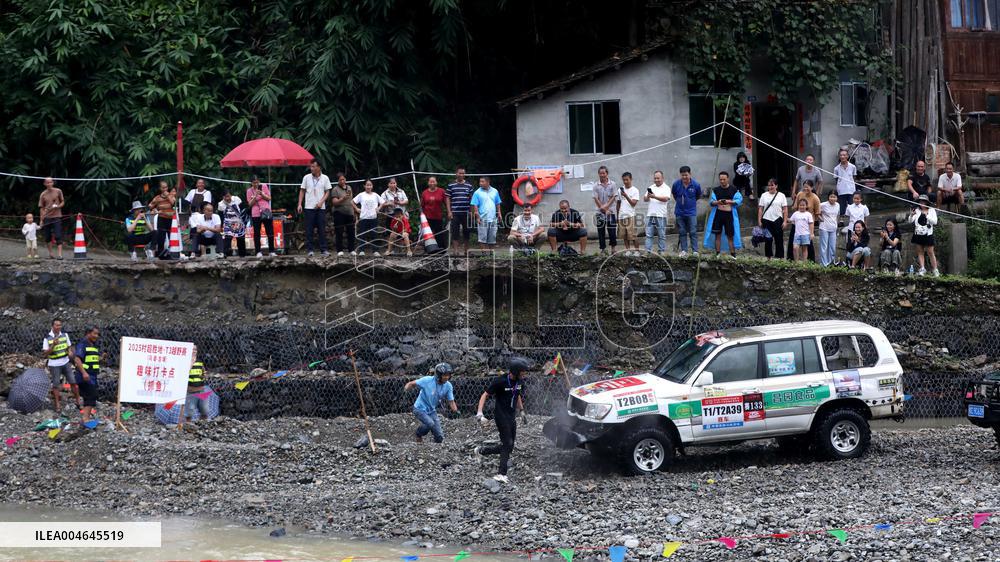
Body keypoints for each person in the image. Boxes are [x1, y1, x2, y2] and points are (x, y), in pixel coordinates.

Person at [475, 357, 530, 483]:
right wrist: (480, 413)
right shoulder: (500, 381)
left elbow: (517, 394)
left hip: (511, 415)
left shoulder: (520, 382)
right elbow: (485, 395)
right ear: (515, 371)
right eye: (523, 372)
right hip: (501, 415)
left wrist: (522, 411)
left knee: (509, 446)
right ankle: (501, 473)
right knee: (507, 443)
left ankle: (482, 450)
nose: (524, 374)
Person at [404, 362, 458, 443]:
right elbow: (412, 383)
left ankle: (434, 447)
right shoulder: (427, 380)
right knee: (430, 423)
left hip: (431, 410)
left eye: (448, 375)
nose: (447, 377)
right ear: (439, 375)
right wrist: (406, 389)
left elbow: (451, 401)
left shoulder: (448, 386)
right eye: (444, 375)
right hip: (419, 409)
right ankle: (418, 434)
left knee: (439, 437)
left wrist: (456, 411)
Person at [42, 318, 78, 412]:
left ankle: (78, 401)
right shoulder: (47, 338)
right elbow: (45, 354)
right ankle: (57, 405)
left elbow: (69, 346)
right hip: (54, 364)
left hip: (65, 362)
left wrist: (69, 351)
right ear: (52, 326)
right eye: (57, 325)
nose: (59, 327)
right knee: (56, 384)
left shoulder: (65, 335)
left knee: (73, 382)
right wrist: (53, 345)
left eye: (60, 325)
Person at [704, 171, 742, 258]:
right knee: (718, 235)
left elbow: (738, 200)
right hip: (718, 214)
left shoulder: (734, 189)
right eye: (720, 179)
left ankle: (733, 254)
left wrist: (729, 201)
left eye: (724, 179)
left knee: (730, 235)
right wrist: (718, 202)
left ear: (728, 179)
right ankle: (717, 253)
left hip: (729, 215)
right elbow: (711, 202)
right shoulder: (716, 190)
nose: (722, 181)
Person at [298, 159, 331, 257]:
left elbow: (327, 192)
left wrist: (321, 202)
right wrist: (299, 204)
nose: (311, 168)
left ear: (319, 167)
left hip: (321, 207)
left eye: (313, 166)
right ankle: (310, 250)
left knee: (321, 229)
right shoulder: (306, 177)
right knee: (309, 229)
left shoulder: (325, 178)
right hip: (309, 207)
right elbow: (302, 191)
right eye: (311, 166)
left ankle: (324, 249)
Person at [72, 326, 102, 424]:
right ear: (88, 333)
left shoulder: (93, 345)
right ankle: (85, 418)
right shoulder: (83, 344)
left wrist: (101, 358)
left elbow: (91, 359)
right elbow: (77, 359)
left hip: (92, 375)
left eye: (97, 334)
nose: (96, 336)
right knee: (91, 395)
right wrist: (84, 373)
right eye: (94, 333)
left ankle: (86, 418)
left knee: (89, 396)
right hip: (85, 375)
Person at [671, 166, 701, 256]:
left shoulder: (696, 185)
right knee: (682, 231)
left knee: (693, 231)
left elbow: (698, 196)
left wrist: (690, 202)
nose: (684, 177)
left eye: (686, 175)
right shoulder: (676, 184)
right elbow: (675, 195)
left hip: (691, 212)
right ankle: (684, 250)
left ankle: (695, 251)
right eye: (682, 175)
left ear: (690, 174)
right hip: (679, 212)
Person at [787, 180, 820, 261]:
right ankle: (791, 260)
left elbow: (817, 213)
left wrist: (811, 227)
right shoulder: (800, 194)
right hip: (797, 222)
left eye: (807, 187)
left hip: (808, 224)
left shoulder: (815, 198)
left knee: (808, 245)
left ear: (812, 188)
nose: (805, 189)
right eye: (804, 187)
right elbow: (795, 207)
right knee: (793, 242)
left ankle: (810, 261)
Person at [756, 178, 788, 259]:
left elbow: (785, 209)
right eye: (769, 185)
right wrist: (759, 220)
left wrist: (785, 221)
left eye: (772, 185)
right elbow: (760, 209)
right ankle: (768, 258)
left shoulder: (781, 195)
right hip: (766, 220)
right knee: (768, 239)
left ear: (776, 186)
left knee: (779, 239)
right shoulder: (764, 195)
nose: (770, 187)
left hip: (778, 220)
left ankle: (780, 258)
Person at [246, 176, 276, 258]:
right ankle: (258, 251)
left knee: (270, 232)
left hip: (266, 211)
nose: (256, 184)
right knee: (256, 233)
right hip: (255, 213)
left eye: (257, 182)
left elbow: (269, 198)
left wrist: (262, 194)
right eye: (254, 183)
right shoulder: (249, 191)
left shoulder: (264, 186)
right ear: (251, 183)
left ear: (259, 181)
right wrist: (255, 196)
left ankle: (272, 251)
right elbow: (250, 204)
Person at [446, 167, 474, 255]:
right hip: (455, 212)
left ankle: (466, 250)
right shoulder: (451, 185)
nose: (461, 175)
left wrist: (472, 211)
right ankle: (456, 251)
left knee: (467, 232)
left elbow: (472, 200)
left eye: (463, 173)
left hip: (466, 212)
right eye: (460, 173)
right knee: (455, 232)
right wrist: (449, 211)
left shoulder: (469, 185)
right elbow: (447, 198)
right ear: (456, 174)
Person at [910, 195, 939, 277]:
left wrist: (927, 215)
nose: (922, 203)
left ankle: (935, 270)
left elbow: (935, 222)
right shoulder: (917, 210)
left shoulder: (931, 210)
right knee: (920, 252)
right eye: (920, 201)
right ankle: (922, 268)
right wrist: (911, 215)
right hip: (918, 233)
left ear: (926, 202)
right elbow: (910, 221)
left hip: (928, 234)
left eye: (923, 201)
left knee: (930, 252)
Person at [469, 177, 502, 250]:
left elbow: (498, 203)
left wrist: (499, 213)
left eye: (482, 181)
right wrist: (477, 217)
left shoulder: (495, 191)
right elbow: (475, 205)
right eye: (480, 181)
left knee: (492, 237)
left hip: (493, 218)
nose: (480, 183)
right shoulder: (477, 192)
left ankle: (491, 253)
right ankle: (483, 253)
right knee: (482, 238)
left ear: (488, 182)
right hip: (482, 218)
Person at [644, 170, 672, 253]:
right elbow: (645, 199)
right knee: (649, 234)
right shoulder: (651, 187)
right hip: (650, 215)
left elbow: (666, 199)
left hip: (661, 215)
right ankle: (648, 251)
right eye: (655, 178)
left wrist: (654, 196)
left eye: (658, 178)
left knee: (661, 235)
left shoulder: (666, 188)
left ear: (662, 178)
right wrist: (648, 196)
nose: (656, 180)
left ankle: (661, 251)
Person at [593, 165, 618, 255]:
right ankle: (603, 249)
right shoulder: (596, 185)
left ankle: (613, 249)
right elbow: (596, 198)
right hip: (600, 212)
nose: (602, 175)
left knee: (612, 231)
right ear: (598, 174)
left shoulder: (613, 184)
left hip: (611, 211)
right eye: (600, 173)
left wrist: (606, 207)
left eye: (604, 173)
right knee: (601, 231)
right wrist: (603, 208)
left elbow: (614, 196)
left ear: (607, 173)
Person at [38, 177, 66, 259]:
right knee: (47, 236)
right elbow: (41, 208)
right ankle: (51, 253)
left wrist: (58, 206)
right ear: (44, 184)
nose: (49, 184)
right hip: (47, 217)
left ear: (53, 183)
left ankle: (60, 254)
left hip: (57, 216)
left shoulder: (58, 191)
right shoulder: (43, 194)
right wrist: (41, 220)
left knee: (58, 235)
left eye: (51, 182)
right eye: (47, 182)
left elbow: (63, 202)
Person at [352, 179, 382, 256]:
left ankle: (375, 251)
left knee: (374, 234)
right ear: (364, 186)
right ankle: (361, 250)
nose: (369, 187)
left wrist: (379, 208)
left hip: (373, 217)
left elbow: (383, 202)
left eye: (370, 185)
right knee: (362, 234)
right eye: (367, 185)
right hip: (363, 218)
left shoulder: (375, 195)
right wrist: (356, 209)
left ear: (372, 186)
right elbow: (352, 202)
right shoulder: (361, 195)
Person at [148, 181, 176, 259]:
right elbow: (150, 205)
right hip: (161, 219)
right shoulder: (157, 198)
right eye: (163, 188)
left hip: (171, 219)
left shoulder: (171, 195)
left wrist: (168, 196)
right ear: (160, 188)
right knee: (161, 238)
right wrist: (154, 209)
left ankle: (172, 254)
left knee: (172, 237)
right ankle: (161, 255)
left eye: (166, 187)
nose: (165, 189)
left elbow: (173, 203)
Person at [330, 173, 356, 256]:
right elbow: (334, 202)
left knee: (351, 232)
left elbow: (351, 200)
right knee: (339, 232)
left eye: (343, 179)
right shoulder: (335, 189)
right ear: (337, 181)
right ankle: (339, 250)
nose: (342, 181)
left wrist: (354, 211)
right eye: (340, 180)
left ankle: (351, 249)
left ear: (345, 179)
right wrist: (343, 198)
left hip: (350, 212)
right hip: (339, 213)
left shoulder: (349, 188)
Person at [421, 176, 449, 250]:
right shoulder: (424, 193)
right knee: (428, 234)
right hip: (427, 217)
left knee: (439, 233)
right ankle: (428, 249)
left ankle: (441, 249)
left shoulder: (441, 191)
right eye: (430, 182)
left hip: (438, 216)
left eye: (433, 181)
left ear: (436, 182)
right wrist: (422, 216)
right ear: (428, 183)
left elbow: (446, 203)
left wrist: (449, 212)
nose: (432, 183)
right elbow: (422, 205)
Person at [184, 346, 211, 421]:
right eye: (192, 349)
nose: (194, 351)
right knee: (189, 412)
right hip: (190, 391)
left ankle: (202, 424)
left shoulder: (200, 361)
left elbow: (203, 371)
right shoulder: (185, 361)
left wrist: (204, 375)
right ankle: (188, 425)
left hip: (201, 389)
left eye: (195, 349)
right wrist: (191, 363)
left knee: (205, 410)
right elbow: (183, 373)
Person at [617, 172, 641, 256]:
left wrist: (626, 195)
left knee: (633, 235)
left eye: (627, 180)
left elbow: (633, 204)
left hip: (630, 215)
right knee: (624, 235)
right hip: (621, 215)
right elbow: (618, 203)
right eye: (624, 180)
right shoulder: (619, 190)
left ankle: (637, 251)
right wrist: (617, 215)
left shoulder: (635, 190)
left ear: (631, 179)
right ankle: (628, 250)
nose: (625, 182)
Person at [218, 191, 247, 258]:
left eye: (228, 196)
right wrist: (221, 226)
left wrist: (244, 222)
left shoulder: (237, 199)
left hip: (238, 222)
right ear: (223, 197)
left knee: (240, 238)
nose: (227, 198)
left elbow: (243, 210)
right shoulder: (220, 204)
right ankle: (225, 254)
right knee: (227, 238)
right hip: (228, 223)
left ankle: (242, 254)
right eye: (225, 197)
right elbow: (221, 216)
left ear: (231, 195)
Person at [818, 191, 840, 267]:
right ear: (828, 197)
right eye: (831, 197)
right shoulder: (823, 205)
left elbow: (837, 215)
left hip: (833, 228)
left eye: (834, 197)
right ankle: (824, 264)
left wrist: (836, 224)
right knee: (824, 247)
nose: (832, 198)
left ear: (837, 198)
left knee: (832, 247)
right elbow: (816, 212)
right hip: (824, 228)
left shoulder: (838, 205)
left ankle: (831, 263)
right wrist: (821, 219)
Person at [833, 148, 857, 215]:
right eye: (841, 155)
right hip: (841, 190)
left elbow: (854, 177)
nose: (842, 157)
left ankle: (852, 219)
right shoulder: (836, 168)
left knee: (851, 207)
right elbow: (836, 179)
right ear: (839, 157)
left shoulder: (853, 167)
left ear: (847, 156)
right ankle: (841, 219)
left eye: (844, 155)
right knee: (842, 207)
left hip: (851, 190)